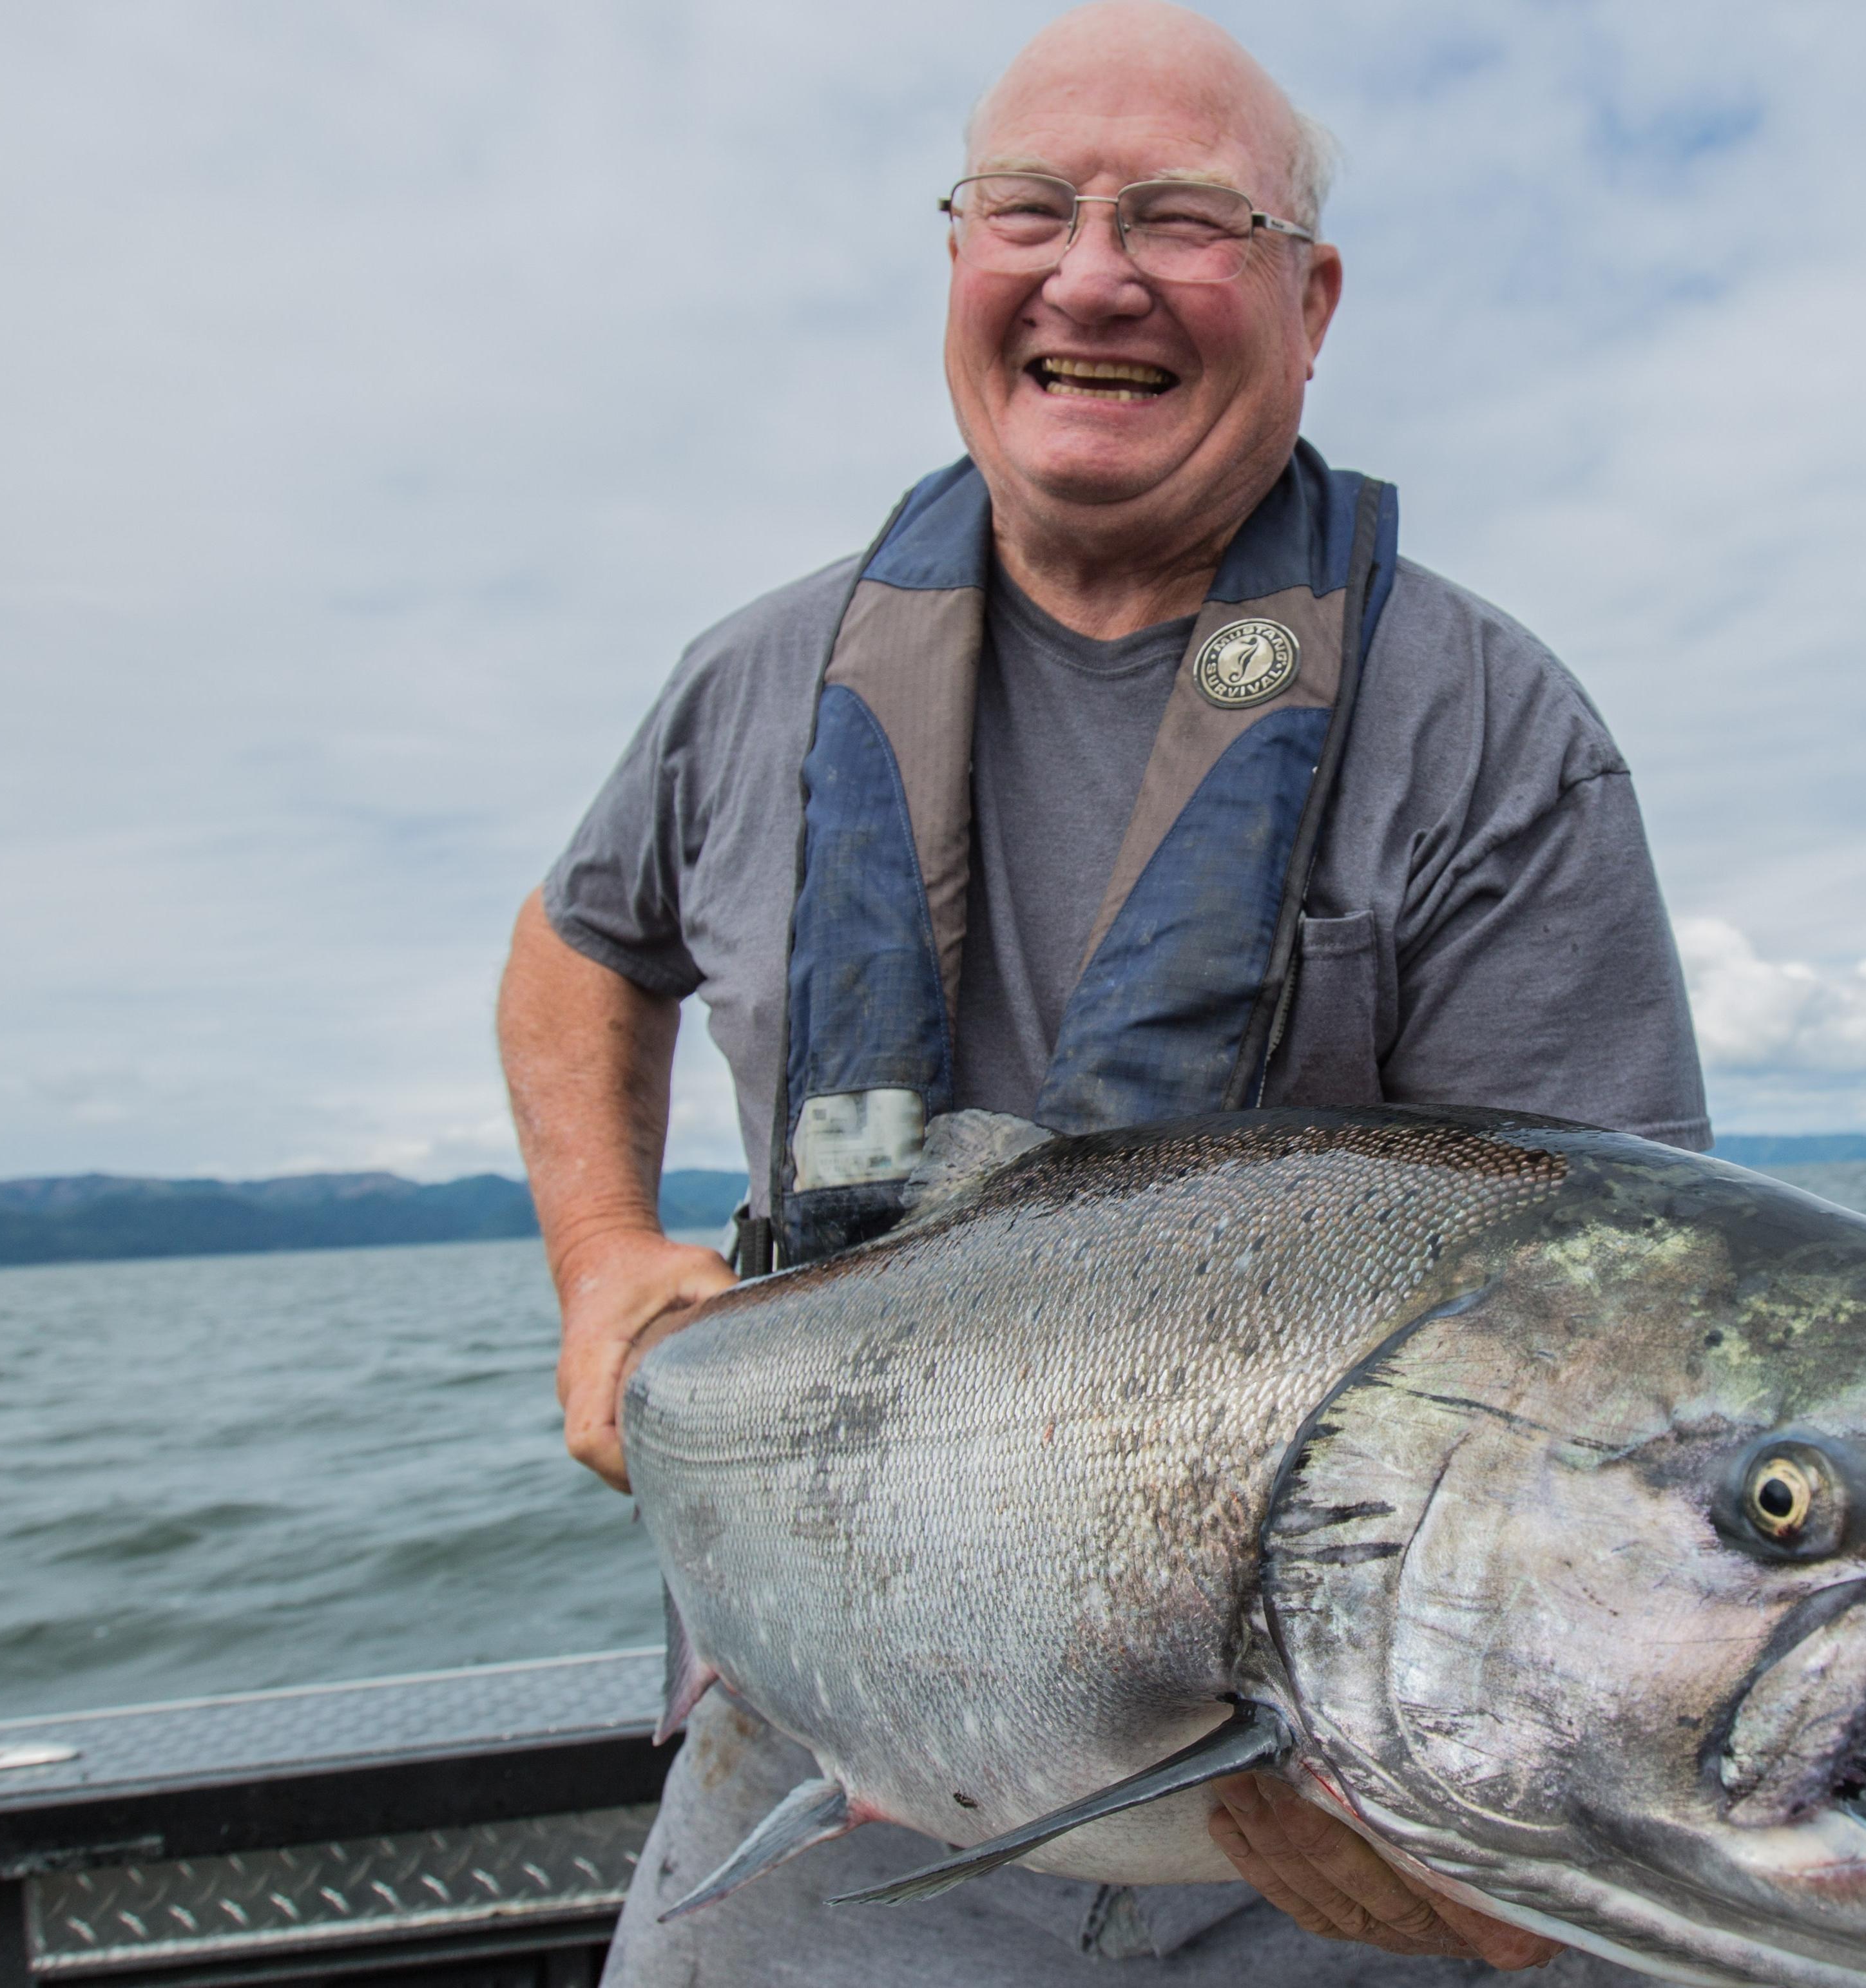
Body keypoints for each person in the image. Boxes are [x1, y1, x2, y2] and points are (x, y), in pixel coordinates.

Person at [495, 4, 1707, 1979]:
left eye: (1187, 220)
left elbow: (1609, 1366)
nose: (1092, 275)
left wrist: (1536, 1836)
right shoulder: (751, 684)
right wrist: (599, 1251)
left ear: (1312, 303)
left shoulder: (1490, 735)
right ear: (958, 258)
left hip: (1301, 1846)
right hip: (804, 1799)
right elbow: (575, 945)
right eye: (1030, 209)